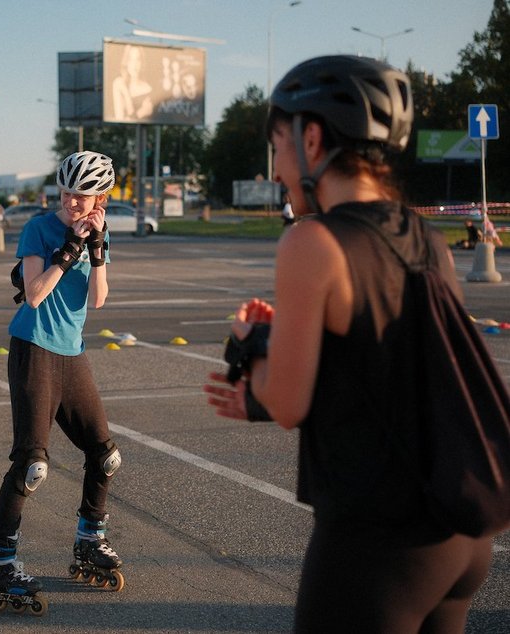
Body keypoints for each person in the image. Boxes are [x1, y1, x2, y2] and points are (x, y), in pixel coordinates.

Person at [204, 56, 494, 633]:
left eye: (278, 143)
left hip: (379, 542)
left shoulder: (311, 241)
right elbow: (392, 360)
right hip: (458, 537)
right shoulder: (425, 236)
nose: (278, 166)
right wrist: (279, 341)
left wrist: (251, 346)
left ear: (312, 138)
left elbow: (287, 404)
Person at [0, 151, 124, 610]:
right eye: (67, 194)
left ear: (101, 198)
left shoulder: (99, 230)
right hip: (34, 349)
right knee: (32, 463)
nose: (74, 204)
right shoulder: (39, 228)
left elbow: (97, 300)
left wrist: (96, 250)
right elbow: (35, 295)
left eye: (83, 196)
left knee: (106, 455)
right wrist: (67, 251)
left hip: (72, 355)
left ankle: (89, 539)